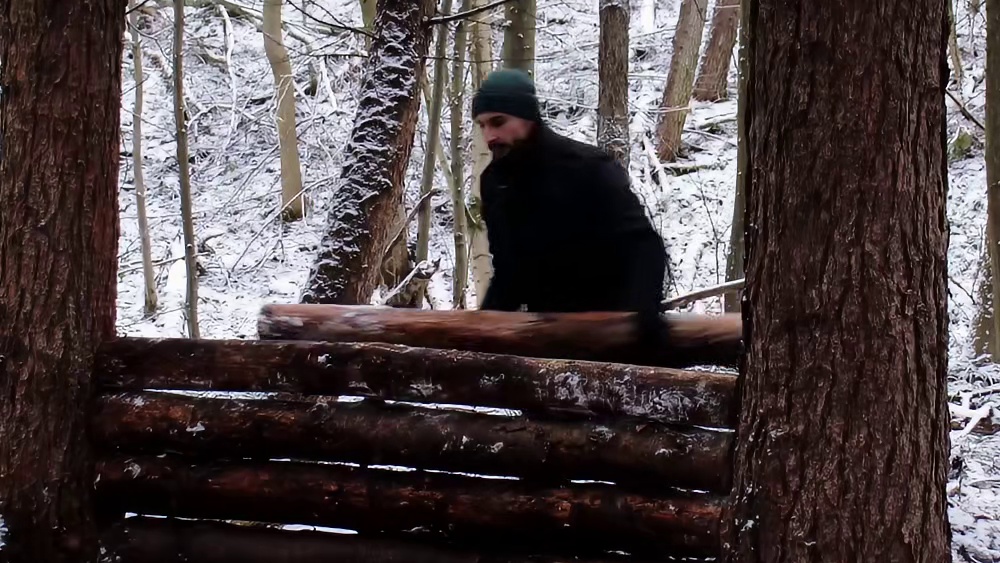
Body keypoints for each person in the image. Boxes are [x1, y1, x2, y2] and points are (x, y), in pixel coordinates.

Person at [471, 69, 668, 336]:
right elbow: (509, 274)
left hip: (612, 328)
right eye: (482, 125)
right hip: (548, 335)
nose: (489, 136)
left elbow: (644, 246)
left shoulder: (587, 167)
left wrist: (639, 322)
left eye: (498, 122)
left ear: (529, 117)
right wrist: (480, 331)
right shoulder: (495, 184)